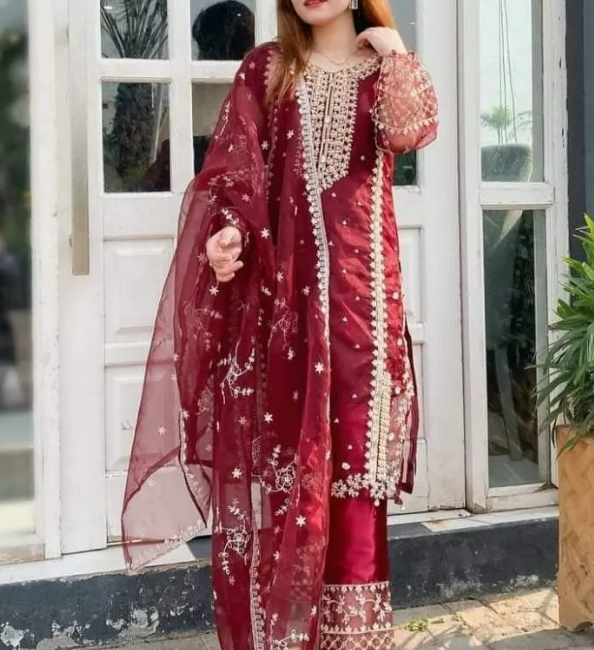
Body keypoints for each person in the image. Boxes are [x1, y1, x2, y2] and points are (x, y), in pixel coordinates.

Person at [122, 0, 438, 646]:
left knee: (354, 505)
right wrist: (227, 236)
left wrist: (395, 51)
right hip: (283, 331)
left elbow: (411, 129)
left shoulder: (384, 72)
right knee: (289, 499)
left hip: (362, 323)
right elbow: (236, 183)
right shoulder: (267, 72)